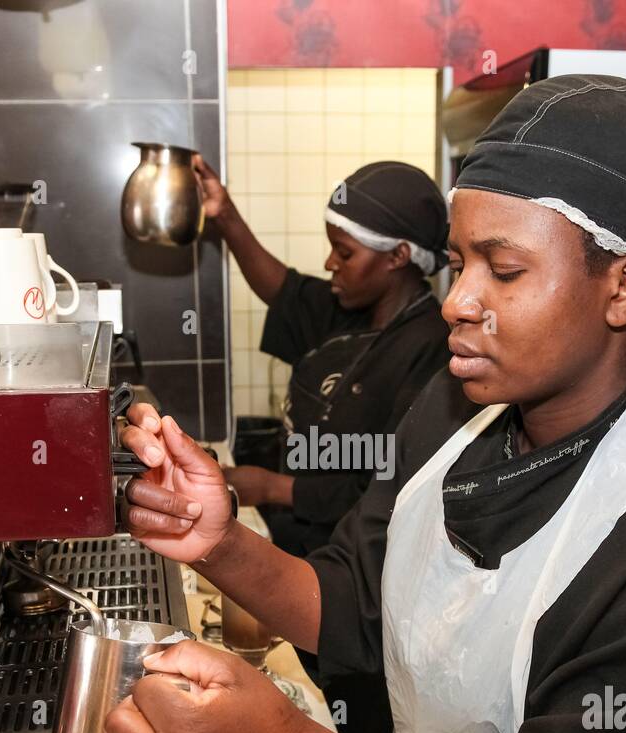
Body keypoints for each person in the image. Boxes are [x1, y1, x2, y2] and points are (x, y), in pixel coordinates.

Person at [114, 76, 626, 733]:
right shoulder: (460, 413)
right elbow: (356, 603)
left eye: (505, 269)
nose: (458, 301)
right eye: (460, 263)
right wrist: (222, 540)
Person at [194, 156, 452, 557]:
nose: (331, 263)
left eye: (344, 254)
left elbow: (389, 476)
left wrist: (270, 487)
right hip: (300, 538)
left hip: (354, 556)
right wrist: (224, 215)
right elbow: (282, 292)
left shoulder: (432, 349)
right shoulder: (346, 308)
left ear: (398, 256)